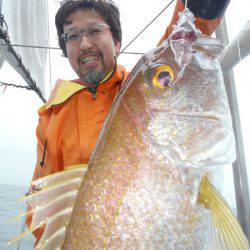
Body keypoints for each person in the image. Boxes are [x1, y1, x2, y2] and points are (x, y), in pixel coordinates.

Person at [26, 0, 230, 243]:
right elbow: (40, 209)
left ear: (117, 42)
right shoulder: (51, 116)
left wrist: (200, 13)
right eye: (72, 36)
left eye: (94, 31)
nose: (84, 44)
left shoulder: (140, 91)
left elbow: (184, 41)